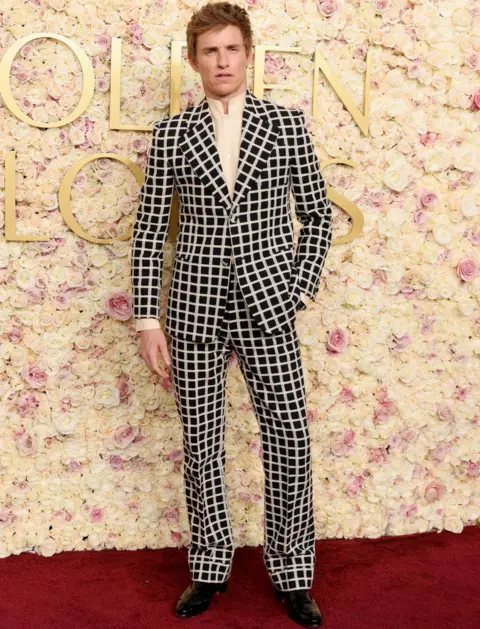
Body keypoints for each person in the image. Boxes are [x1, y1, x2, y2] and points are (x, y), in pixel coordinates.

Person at [130, 2, 332, 626]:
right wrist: (147, 320)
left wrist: (295, 291)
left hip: (270, 306)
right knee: (201, 443)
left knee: (289, 439)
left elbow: (318, 214)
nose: (222, 61)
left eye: (232, 49)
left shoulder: (287, 125)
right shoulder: (171, 134)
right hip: (192, 308)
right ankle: (209, 569)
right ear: (194, 60)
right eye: (210, 51)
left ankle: (293, 573)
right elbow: (147, 234)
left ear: (248, 54)